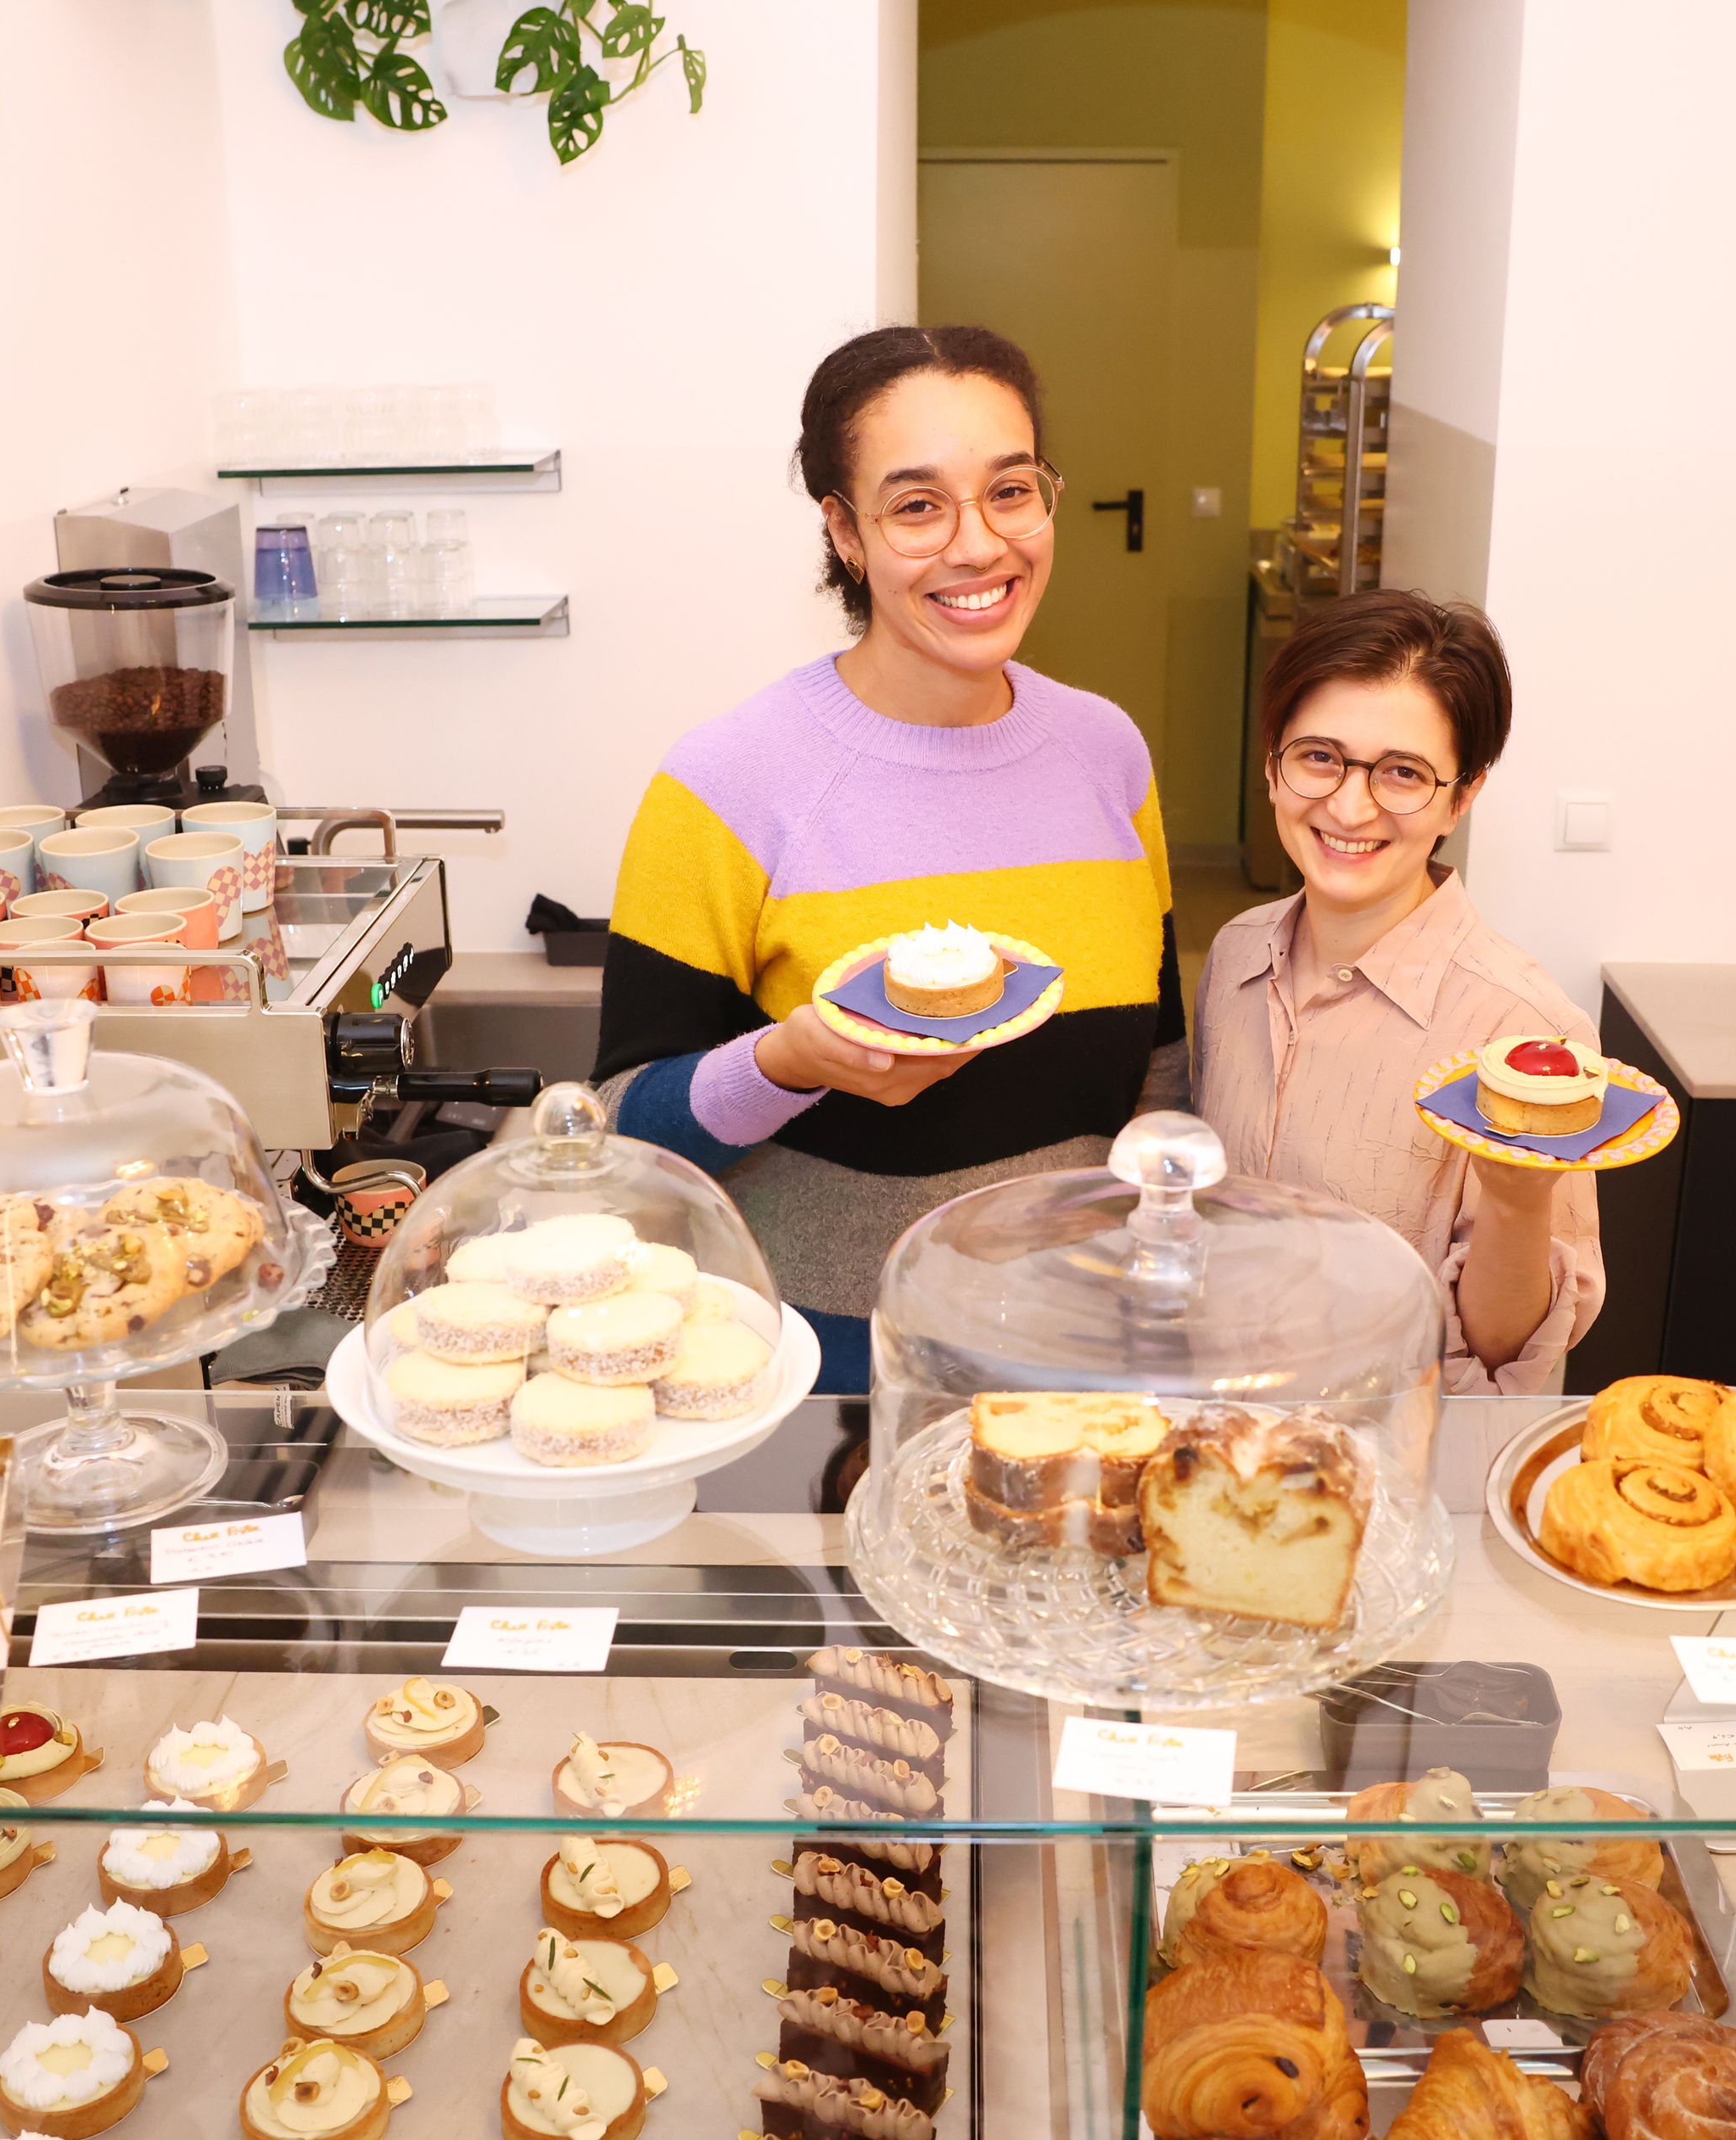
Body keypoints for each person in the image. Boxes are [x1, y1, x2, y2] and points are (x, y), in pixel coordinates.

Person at [592, 324, 1187, 1390]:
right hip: (826, 1372)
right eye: (917, 506)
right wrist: (789, 1062)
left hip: (1079, 1361)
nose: (978, 544)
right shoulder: (726, 781)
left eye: (1010, 491)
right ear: (845, 531)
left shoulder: (1108, 750)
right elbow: (623, 1138)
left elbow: (1160, 1064)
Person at [1190, 589, 1604, 1391]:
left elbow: (1506, 1358)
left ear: (1462, 796)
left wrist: (1518, 1206)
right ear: (1272, 764)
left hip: (1396, 1450)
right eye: (1319, 757)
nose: (1350, 807)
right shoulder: (1235, 955)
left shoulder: (1524, 1029)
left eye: (1403, 773)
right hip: (1217, 1426)